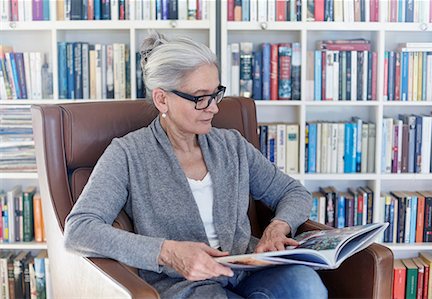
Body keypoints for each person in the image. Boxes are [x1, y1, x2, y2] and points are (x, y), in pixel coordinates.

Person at [64, 31, 327, 299]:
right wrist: (167, 252)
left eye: (216, 95)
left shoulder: (231, 145)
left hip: (248, 269)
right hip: (186, 285)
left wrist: (277, 227)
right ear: (162, 99)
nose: (213, 108)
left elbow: (294, 192)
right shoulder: (128, 154)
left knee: (306, 285)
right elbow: (79, 229)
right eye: (200, 98)